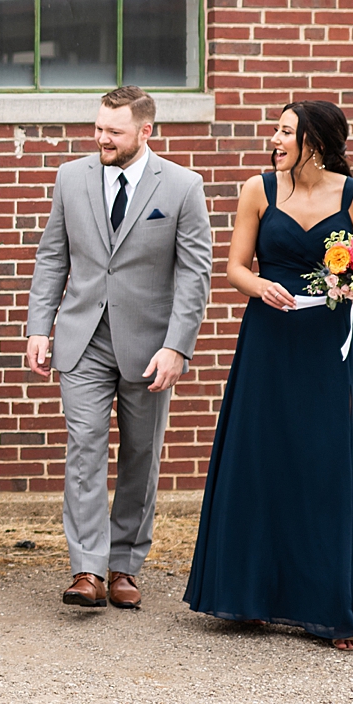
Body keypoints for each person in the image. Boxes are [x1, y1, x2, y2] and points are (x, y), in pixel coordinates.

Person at [185, 101, 353, 650]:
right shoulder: (258, 189)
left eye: (284, 131)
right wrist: (260, 287)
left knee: (326, 462)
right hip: (269, 339)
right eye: (275, 130)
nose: (274, 139)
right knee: (262, 456)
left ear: (314, 142)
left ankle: (330, 605)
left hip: (328, 345)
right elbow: (234, 267)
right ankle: (250, 594)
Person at [24, 86, 212, 612]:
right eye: (98, 128)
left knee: (140, 455)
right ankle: (87, 569)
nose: (101, 138)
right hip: (83, 339)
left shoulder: (182, 186)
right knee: (84, 449)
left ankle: (125, 564)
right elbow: (52, 257)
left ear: (145, 131)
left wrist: (177, 347)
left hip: (150, 346)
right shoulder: (71, 177)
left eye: (114, 131)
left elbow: (194, 275)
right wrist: (39, 327)